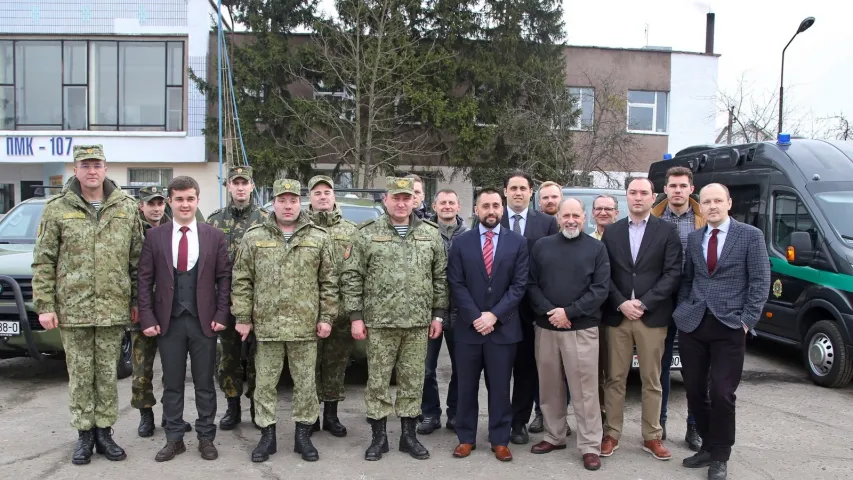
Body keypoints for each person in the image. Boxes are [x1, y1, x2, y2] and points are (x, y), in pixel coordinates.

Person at [32, 144, 143, 465]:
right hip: (73, 309)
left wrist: (136, 301)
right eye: (85, 165)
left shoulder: (125, 207)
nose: (92, 171)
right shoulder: (56, 209)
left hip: (112, 309)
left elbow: (136, 259)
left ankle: (105, 433)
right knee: (81, 374)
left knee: (107, 374)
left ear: (105, 168)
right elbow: (43, 261)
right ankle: (84, 435)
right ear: (75, 169)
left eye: (97, 165)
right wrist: (45, 305)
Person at [340, 176, 448, 461]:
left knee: (413, 381)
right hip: (379, 322)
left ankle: (408, 437)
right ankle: (379, 438)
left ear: (415, 200)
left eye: (407, 197)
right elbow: (352, 277)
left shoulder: (430, 233)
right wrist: (356, 316)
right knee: (377, 382)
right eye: (396, 198)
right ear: (385, 200)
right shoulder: (366, 233)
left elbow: (440, 277)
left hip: (417, 323)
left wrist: (438, 314)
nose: (401, 203)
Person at [230, 179, 337, 463]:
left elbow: (329, 281)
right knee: (264, 384)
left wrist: (326, 317)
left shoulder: (318, 236)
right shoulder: (254, 237)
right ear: (273, 202)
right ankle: (267, 437)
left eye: (292, 200)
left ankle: (303, 436)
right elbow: (242, 280)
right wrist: (242, 316)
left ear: (300, 202)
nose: (287, 206)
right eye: (282, 200)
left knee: (305, 384)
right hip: (268, 327)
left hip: (304, 326)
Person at [674, 183, 770, 480]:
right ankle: (706, 445)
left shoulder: (750, 236)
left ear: (729, 203)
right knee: (694, 390)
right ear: (699, 206)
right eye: (706, 201)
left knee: (722, 392)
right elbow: (688, 279)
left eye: (718, 200)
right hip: (694, 324)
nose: (712, 206)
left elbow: (760, 280)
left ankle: (721, 455)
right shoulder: (693, 238)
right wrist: (682, 310)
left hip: (730, 325)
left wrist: (747, 321)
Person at [137, 176, 231, 462]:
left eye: (190, 198)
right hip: (169, 321)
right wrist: (147, 317)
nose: (185, 204)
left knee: (204, 383)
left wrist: (221, 313)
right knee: (173, 383)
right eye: (179, 199)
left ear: (198, 200)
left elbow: (225, 277)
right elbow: (144, 280)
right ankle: (174, 438)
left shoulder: (214, 235)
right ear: (170, 202)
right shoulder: (155, 237)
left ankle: (206, 437)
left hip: (204, 321)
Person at [599, 177, 682, 461]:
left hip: (652, 316)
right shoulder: (612, 232)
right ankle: (611, 433)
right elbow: (603, 275)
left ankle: (652, 437)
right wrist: (621, 303)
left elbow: (672, 274)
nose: (638, 197)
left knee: (652, 379)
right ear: (626, 197)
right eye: (633, 192)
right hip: (618, 316)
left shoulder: (667, 231)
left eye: (643, 193)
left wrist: (644, 303)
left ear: (653, 196)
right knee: (615, 379)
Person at [527, 197, 610, 471]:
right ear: (558, 218)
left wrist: (569, 313)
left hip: (582, 329)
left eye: (576, 215)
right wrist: (552, 312)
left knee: (585, 391)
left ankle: (589, 446)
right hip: (547, 328)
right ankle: (555, 435)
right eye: (566, 215)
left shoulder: (596, 249)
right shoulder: (542, 246)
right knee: (550, 387)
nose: (571, 220)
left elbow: (600, 290)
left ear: (584, 217)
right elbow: (531, 284)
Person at [447, 187, 528, 462]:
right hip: (469, 330)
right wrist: (476, 316)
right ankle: (466, 438)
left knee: (500, 387)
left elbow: (519, 286)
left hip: (503, 329)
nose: (491, 211)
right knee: (466, 386)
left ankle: (500, 439)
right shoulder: (462, 243)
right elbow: (456, 283)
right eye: (485, 206)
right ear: (476, 210)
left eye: (495, 206)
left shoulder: (518, 242)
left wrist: (494, 316)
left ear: (502, 209)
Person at [500, 171, 559, 444]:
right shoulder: (492, 218)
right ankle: (498, 420)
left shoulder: (547, 223)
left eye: (523, 188)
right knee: (499, 370)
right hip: (498, 310)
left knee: (525, 370)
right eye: (513, 188)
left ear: (531, 191)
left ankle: (519, 423)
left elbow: (550, 267)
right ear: (505, 192)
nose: (518, 193)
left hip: (530, 311)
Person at [206, 165, 266, 430]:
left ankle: (256, 405)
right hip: (225, 302)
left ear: (252, 186)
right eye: (235, 183)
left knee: (258, 358)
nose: (240, 187)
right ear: (228, 187)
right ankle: (232, 407)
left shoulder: (266, 220)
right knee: (228, 357)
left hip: (260, 302)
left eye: (245, 183)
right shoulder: (214, 221)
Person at [650, 166, 706, 450]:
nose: (677, 191)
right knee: (660, 367)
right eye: (672, 186)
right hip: (662, 300)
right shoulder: (653, 216)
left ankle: (694, 427)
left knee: (695, 368)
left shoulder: (704, 218)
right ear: (665, 189)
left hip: (694, 300)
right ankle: (659, 425)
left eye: (683, 186)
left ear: (691, 189)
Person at [131, 185, 192, 437]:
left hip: (170, 308)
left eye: (159, 203)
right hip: (142, 307)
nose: (156, 208)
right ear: (141, 206)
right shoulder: (132, 231)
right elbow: (130, 272)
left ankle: (171, 415)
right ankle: (146, 415)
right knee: (142, 366)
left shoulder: (175, 228)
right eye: (150, 204)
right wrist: (135, 304)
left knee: (173, 367)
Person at [307, 175, 357, 437]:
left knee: (336, 364)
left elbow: (358, 271)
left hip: (342, 312)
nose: (323, 196)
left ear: (335, 196)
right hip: (309, 312)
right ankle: (311, 416)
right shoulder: (301, 228)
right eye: (317, 193)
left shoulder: (351, 231)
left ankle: (331, 415)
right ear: (310, 199)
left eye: (327, 192)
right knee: (309, 365)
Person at [418, 189, 469, 435]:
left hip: (461, 312)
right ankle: (429, 413)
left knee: (462, 367)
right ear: (434, 207)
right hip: (431, 312)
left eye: (451, 202)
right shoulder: (425, 234)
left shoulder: (470, 236)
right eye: (443, 203)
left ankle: (456, 413)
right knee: (426, 367)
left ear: (458, 206)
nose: (447, 206)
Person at [590, 194, 620, 422]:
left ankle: (612, 419)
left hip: (618, 313)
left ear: (616, 213)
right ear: (592, 214)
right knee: (594, 371)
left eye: (608, 209)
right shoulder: (585, 241)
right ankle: (599, 416)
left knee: (614, 372)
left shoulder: (624, 239)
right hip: (593, 316)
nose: (603, 212)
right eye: (599, 208)